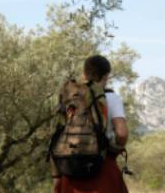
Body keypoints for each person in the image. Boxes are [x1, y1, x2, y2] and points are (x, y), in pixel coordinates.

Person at [53, 55, 129, 193]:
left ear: (84, 73)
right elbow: (122, 133)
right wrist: (115, 148)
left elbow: (56, 135)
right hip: (103, 167)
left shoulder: (71, 99)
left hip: (70, 169)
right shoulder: (112, 98)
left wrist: (56, 176)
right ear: (106, 76)